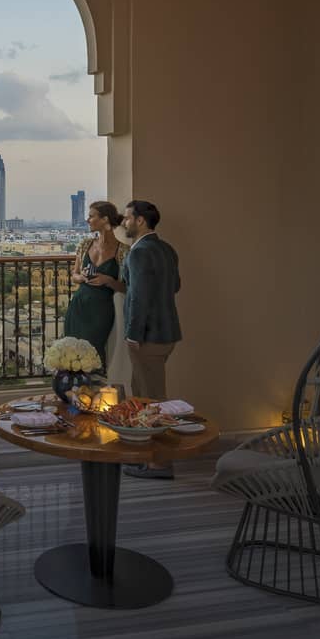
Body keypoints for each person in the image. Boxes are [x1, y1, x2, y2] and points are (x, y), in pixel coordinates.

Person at [116, 199, 182, 479]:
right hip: (167, 333)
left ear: (140, 220)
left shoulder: (138, 252)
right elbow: (175, 286)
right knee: (149, 395)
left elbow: (138, 297)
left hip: (148, 336)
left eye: (128, 218)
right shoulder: (167, 249)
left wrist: (133, 333)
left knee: (151, 400)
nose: (124, 222)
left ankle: (159, 464)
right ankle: (151, 458)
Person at [65, 201, 129, 366]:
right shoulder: (85, 245)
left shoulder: (123, 251)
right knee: (71, 353)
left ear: (105, 219)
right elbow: (74, 275)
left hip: (102, 309)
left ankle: (92, 389)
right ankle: (75, 389)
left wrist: (108, 280)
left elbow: (126, 287)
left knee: (93, 354)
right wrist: (84, 278)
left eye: (92, 216)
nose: (88, 220)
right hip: (78, 306)